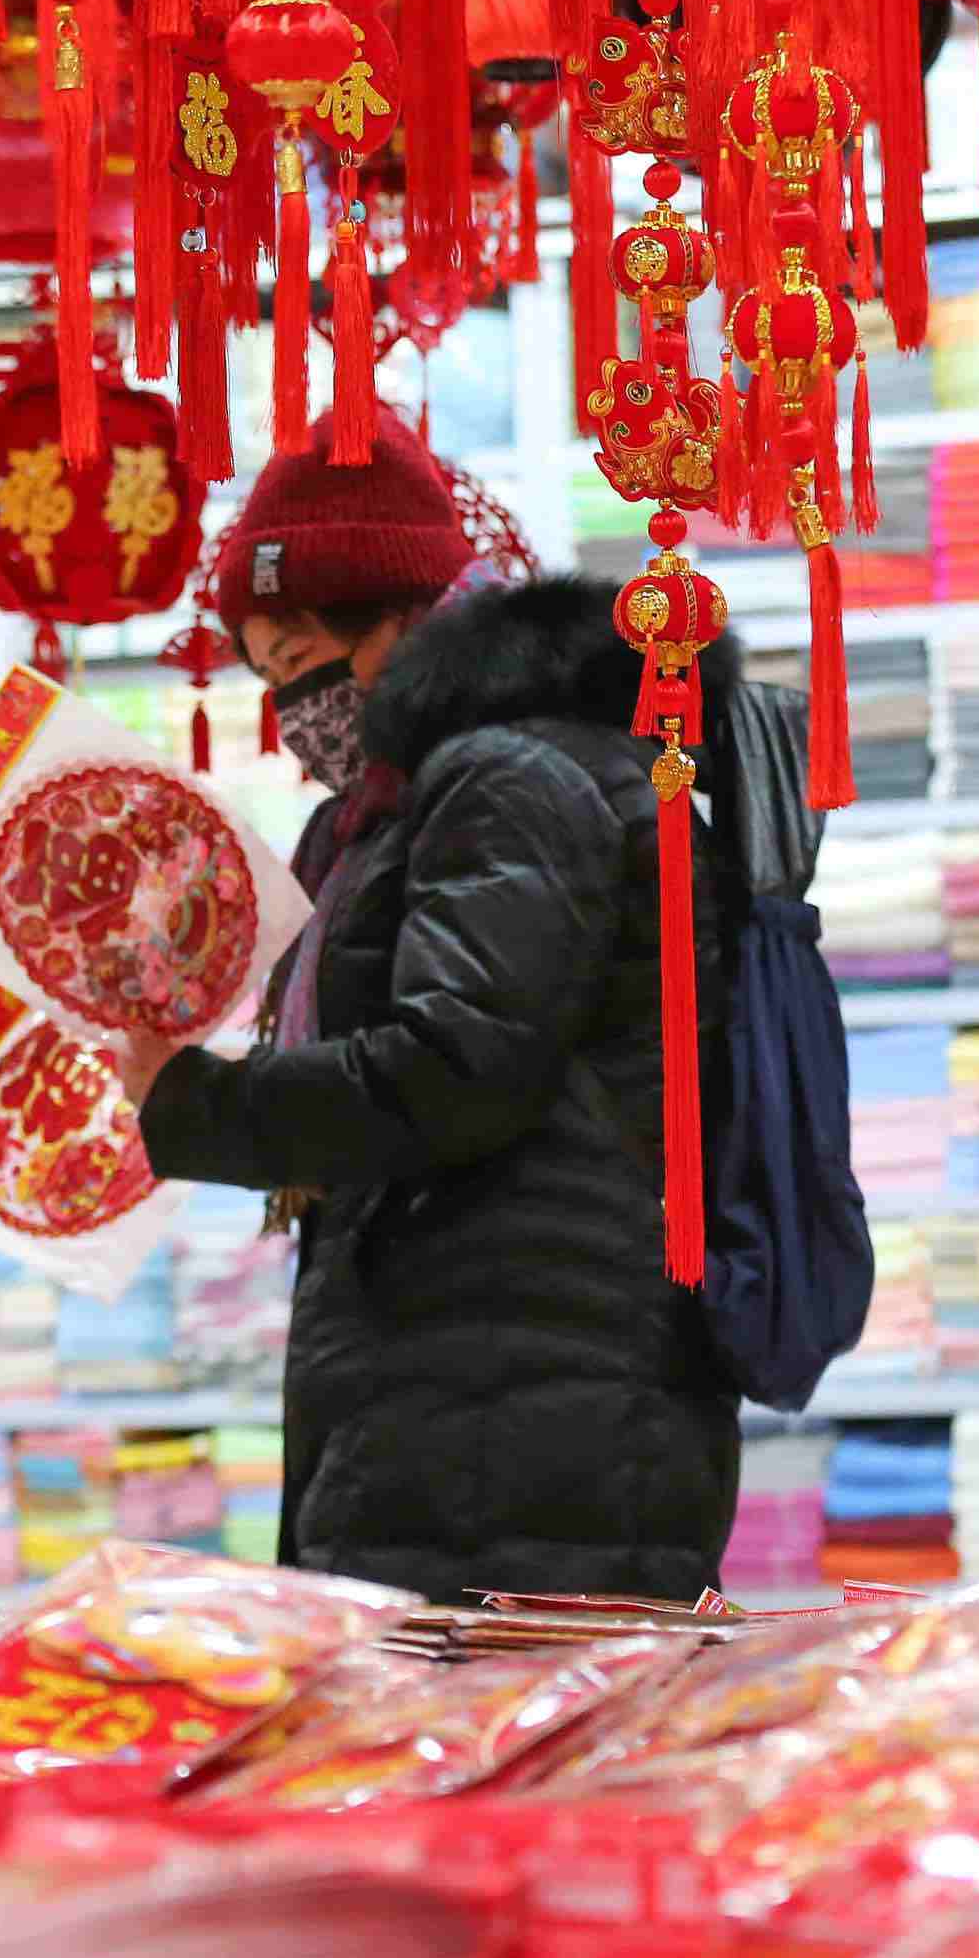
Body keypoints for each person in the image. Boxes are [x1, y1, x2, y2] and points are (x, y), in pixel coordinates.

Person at [113, 415, 799, 1604]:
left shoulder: (509, 776)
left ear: (398, 624)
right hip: (485, 1389)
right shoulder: (429, 797)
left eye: (295, 665)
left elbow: (455, 1066)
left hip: (527, 1403)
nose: (293, 711)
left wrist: (197, 1102)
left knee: (494, 1763)